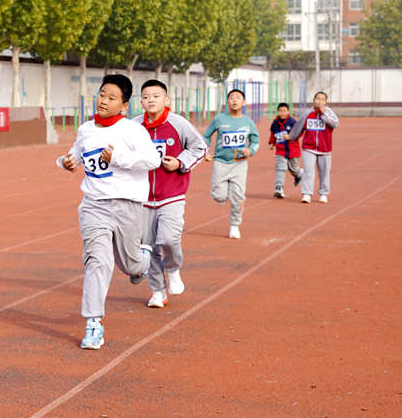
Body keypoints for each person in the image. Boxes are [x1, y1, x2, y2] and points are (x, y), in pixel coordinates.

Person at [58, 74, 161, 349]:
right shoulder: (86, 129)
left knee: (128, 264)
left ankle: (143, 259)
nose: (104, 100)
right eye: (102, 94)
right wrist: (67, 162)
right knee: (97, 260)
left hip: (127, 205)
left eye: (111, 97)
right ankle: (94, 323)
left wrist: (118, 158)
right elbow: (76, 154)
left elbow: (153, 159)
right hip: (93, 204)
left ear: (124, 105)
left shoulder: (133, 130)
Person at [132, 80, 207, 309]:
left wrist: (180, 162)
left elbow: (200, 148)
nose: (151, 100)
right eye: (146, 96)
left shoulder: (178, 123)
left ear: (167, 100)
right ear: (141, 101)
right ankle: (157, 290)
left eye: (156, 96)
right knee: (149, 246)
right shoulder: (134, 126)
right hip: (142, 198)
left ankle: (173, 269)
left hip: (171, 195)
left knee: (168, 239)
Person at [203, 89, 259, 240]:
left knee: (238, 198)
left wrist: (250, 150)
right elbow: (206, 136)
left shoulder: (248, 122)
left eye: (238, 97)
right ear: (227, 102)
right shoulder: (219, 119)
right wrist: (206, 151)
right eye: (231, 98)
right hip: (220, 163)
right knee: (219, 196)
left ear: (244, 102)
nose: (234, 100)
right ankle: (221, 194)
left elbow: (255, 141)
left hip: (239, 164)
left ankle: (234, 226)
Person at [287, 91, 339, 203]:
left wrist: (324, 113)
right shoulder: (307, 113)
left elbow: (334, 124)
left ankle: (323, 194)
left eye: (322, 100)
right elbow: (299, 126)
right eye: (317, 99)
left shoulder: (329, 112)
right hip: (308, 148)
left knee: (324, 172)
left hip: (324, 149)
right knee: (308, 170)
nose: (319, 101)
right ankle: (306, 194)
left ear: (325, 102)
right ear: (314, 100)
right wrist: (291, 137)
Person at [268, 102, 303, 198]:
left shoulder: (292, 122)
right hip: (280, 151)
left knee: (293, 169)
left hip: (293, 150)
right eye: (280, 111)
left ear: (288, 111)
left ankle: (299, 175)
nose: (282, 113)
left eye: (284, 111)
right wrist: (272, 143)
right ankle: (279, 187)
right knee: (280, 168)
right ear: (277, 112)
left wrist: (291, 136)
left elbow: (300, 132)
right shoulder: (275, 123)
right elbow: (273, 134)